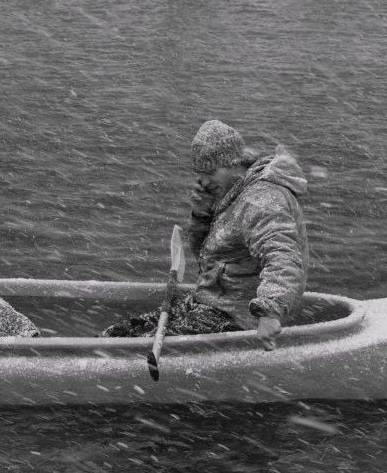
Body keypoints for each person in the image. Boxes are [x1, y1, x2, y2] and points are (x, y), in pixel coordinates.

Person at [103, 118, 309, 350]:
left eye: (210, 172)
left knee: (130, 346)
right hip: (212, 303)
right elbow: (209, 258)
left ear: (236, 164)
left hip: (239, 315)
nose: (202, 180)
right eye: (199, 172)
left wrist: (269, 312)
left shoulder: (262, 200)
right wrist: (202, 214)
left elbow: (283, 256)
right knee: (120, 333)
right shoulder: (233, 192)